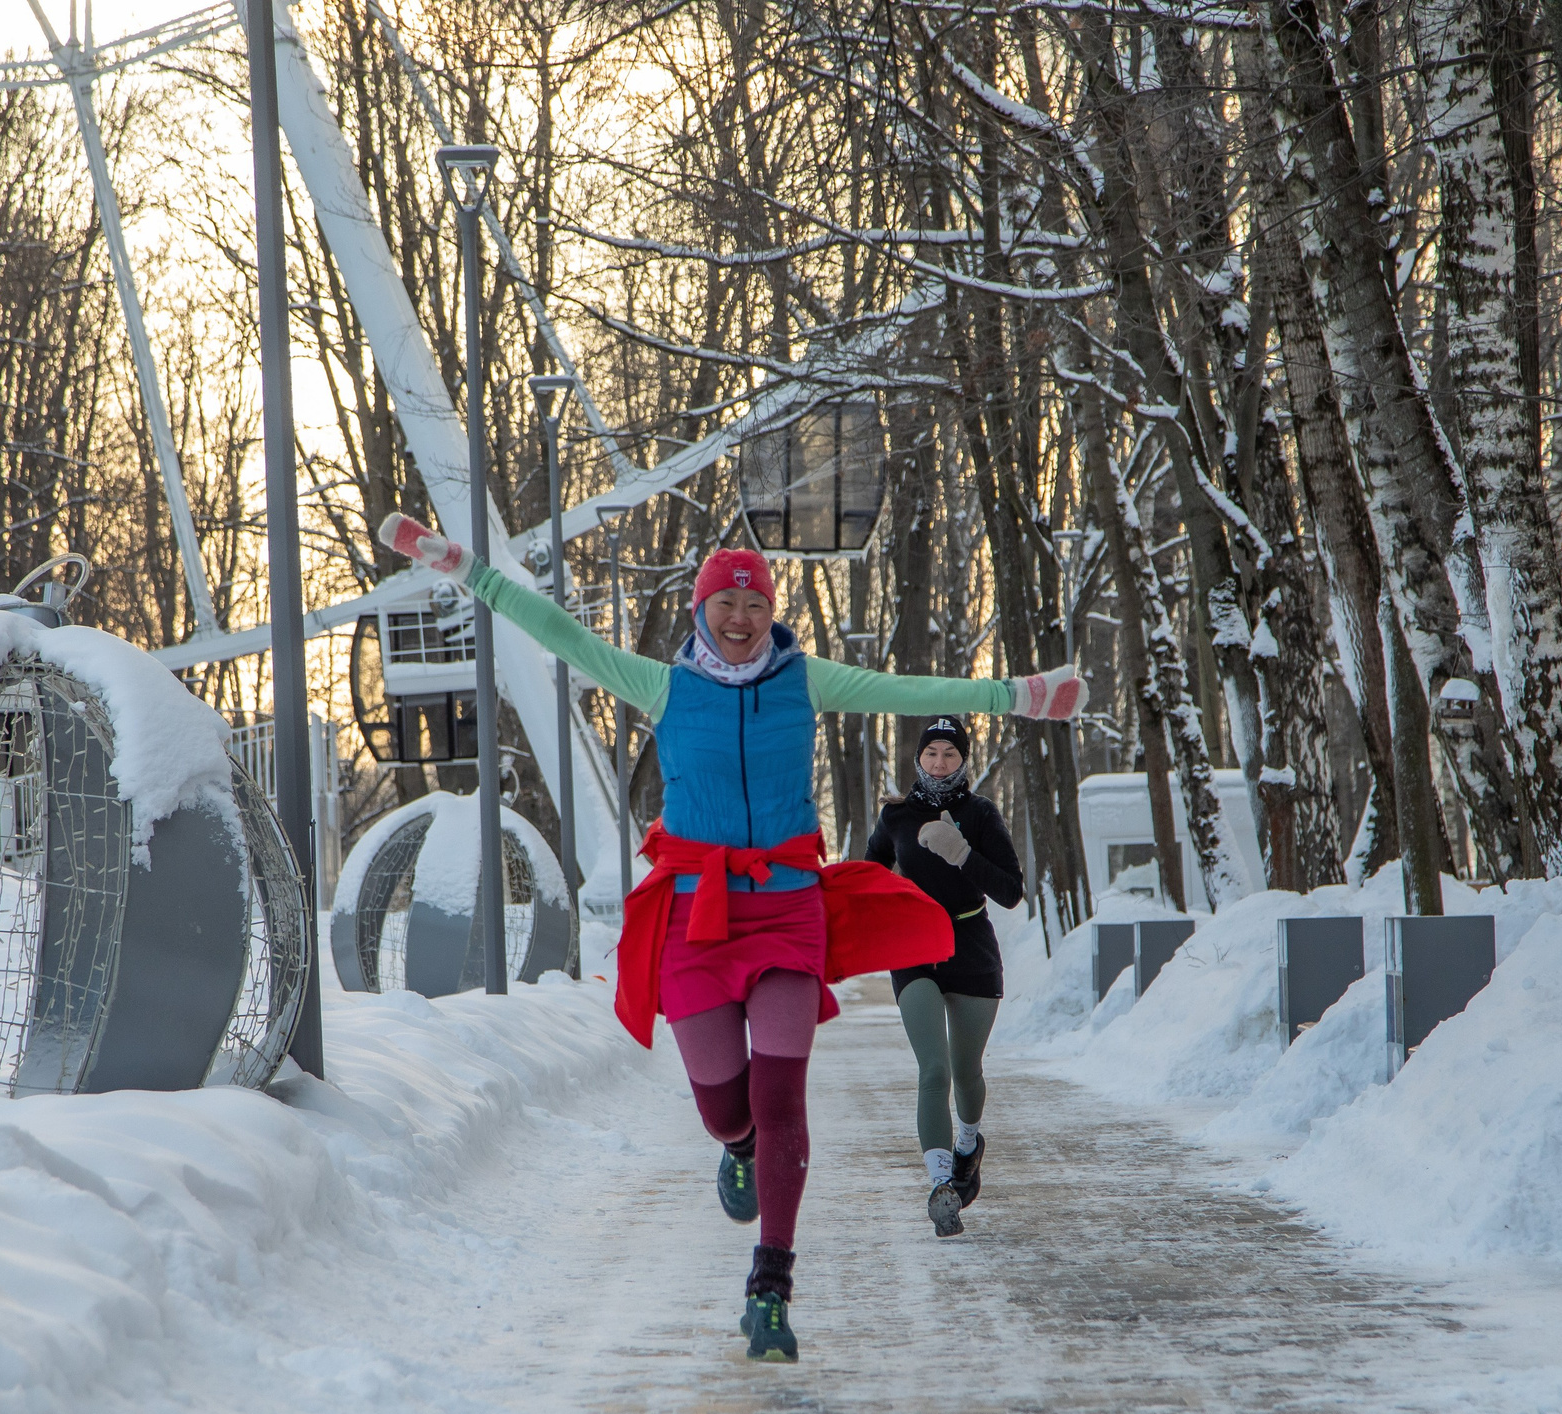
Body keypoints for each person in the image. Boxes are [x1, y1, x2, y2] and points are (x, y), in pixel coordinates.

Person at [379, 513, 1085, 1362]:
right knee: (726, 1107)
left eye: (755, 601)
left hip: (788, 912)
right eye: (727, 601)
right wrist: (464, 568)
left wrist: (1020, 695)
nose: (742, 616)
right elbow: (556, 633)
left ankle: (772, 1287)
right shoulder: (664, 685)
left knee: (783, 1097)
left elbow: (906, 687)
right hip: (697, 918)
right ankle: (740, 1147)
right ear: (699, 608)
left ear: (772, 609)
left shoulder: (804, 679)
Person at [866, 717, 1021, 1238]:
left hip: (971, 947)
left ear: (963, 761)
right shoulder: (896, 816)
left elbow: (1010, 891)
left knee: (965, 1070)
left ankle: (968, 1143)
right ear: (917, 759)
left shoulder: (980, 814)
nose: (939, 763)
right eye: (931, 753)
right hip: (915, 950)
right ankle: (941, 1187)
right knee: (933, 1069)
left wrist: (960, 853)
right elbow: (869, 877)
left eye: (950, 755)